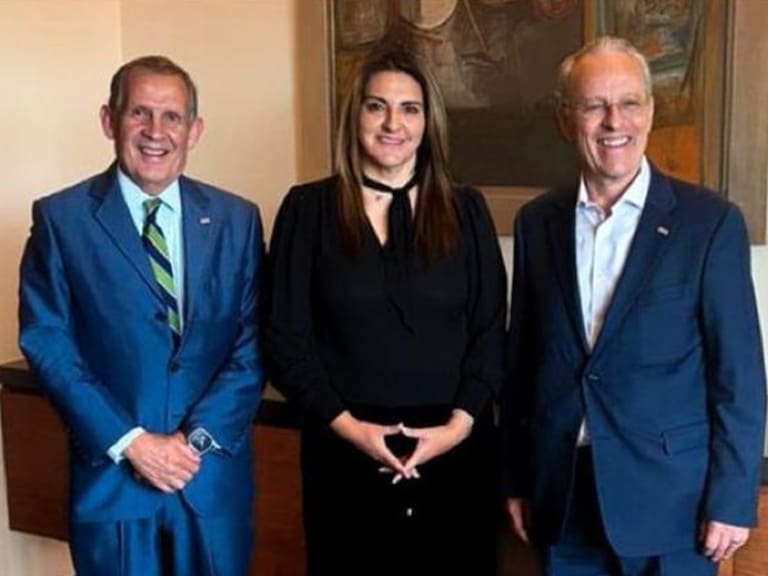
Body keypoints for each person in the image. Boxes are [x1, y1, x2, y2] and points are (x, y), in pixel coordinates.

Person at [501, 36, 767, 576]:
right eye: (594, 105)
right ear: (565, 117)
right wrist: (516, 479)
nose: (612, 121)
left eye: (628, 102)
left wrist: (732, 498)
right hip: (563, 497)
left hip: (675, 508)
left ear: (649, 112)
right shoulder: (537, 223)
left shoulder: (709, 223)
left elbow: (739, 375)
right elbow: (521, 364)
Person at [18, 55, 264, 576]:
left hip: (211, 479)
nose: (156, 132)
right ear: (110, 120)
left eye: (172, 117)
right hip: (113, 484)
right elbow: (47, 341)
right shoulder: (61, 220)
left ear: (195, 130)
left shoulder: (236, 220)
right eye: (139, 114)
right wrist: (132, 442)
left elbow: (252, 345)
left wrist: (190, 444)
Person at [265, 49, 506, 575]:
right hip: (344, 454)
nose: (394, 123)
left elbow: (490, 333)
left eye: (410, 109)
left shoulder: (467, 209)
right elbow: (284, 339)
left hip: (456, 454)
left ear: (429, 122)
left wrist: (456, 428)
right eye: (377, 107)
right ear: (356, 117)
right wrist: (352, 429)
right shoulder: (307, 210)